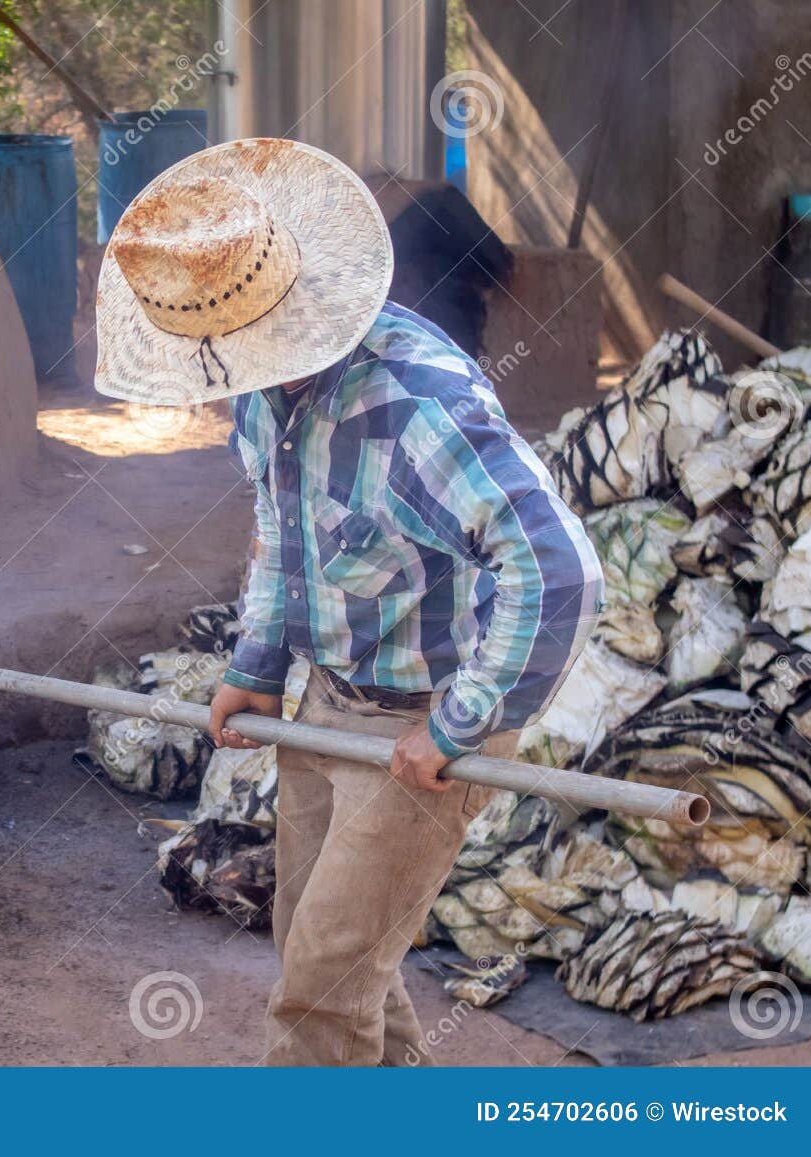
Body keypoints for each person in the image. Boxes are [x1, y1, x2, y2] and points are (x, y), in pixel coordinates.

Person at [94, 138, 603, 1066]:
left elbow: (558, 568)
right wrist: (254, 667)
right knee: (324, 949)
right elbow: (282, 530)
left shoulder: (416, 403)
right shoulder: (260, 393)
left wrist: (459, 727)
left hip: (429, 724)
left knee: (320, 988)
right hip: (329, 701)